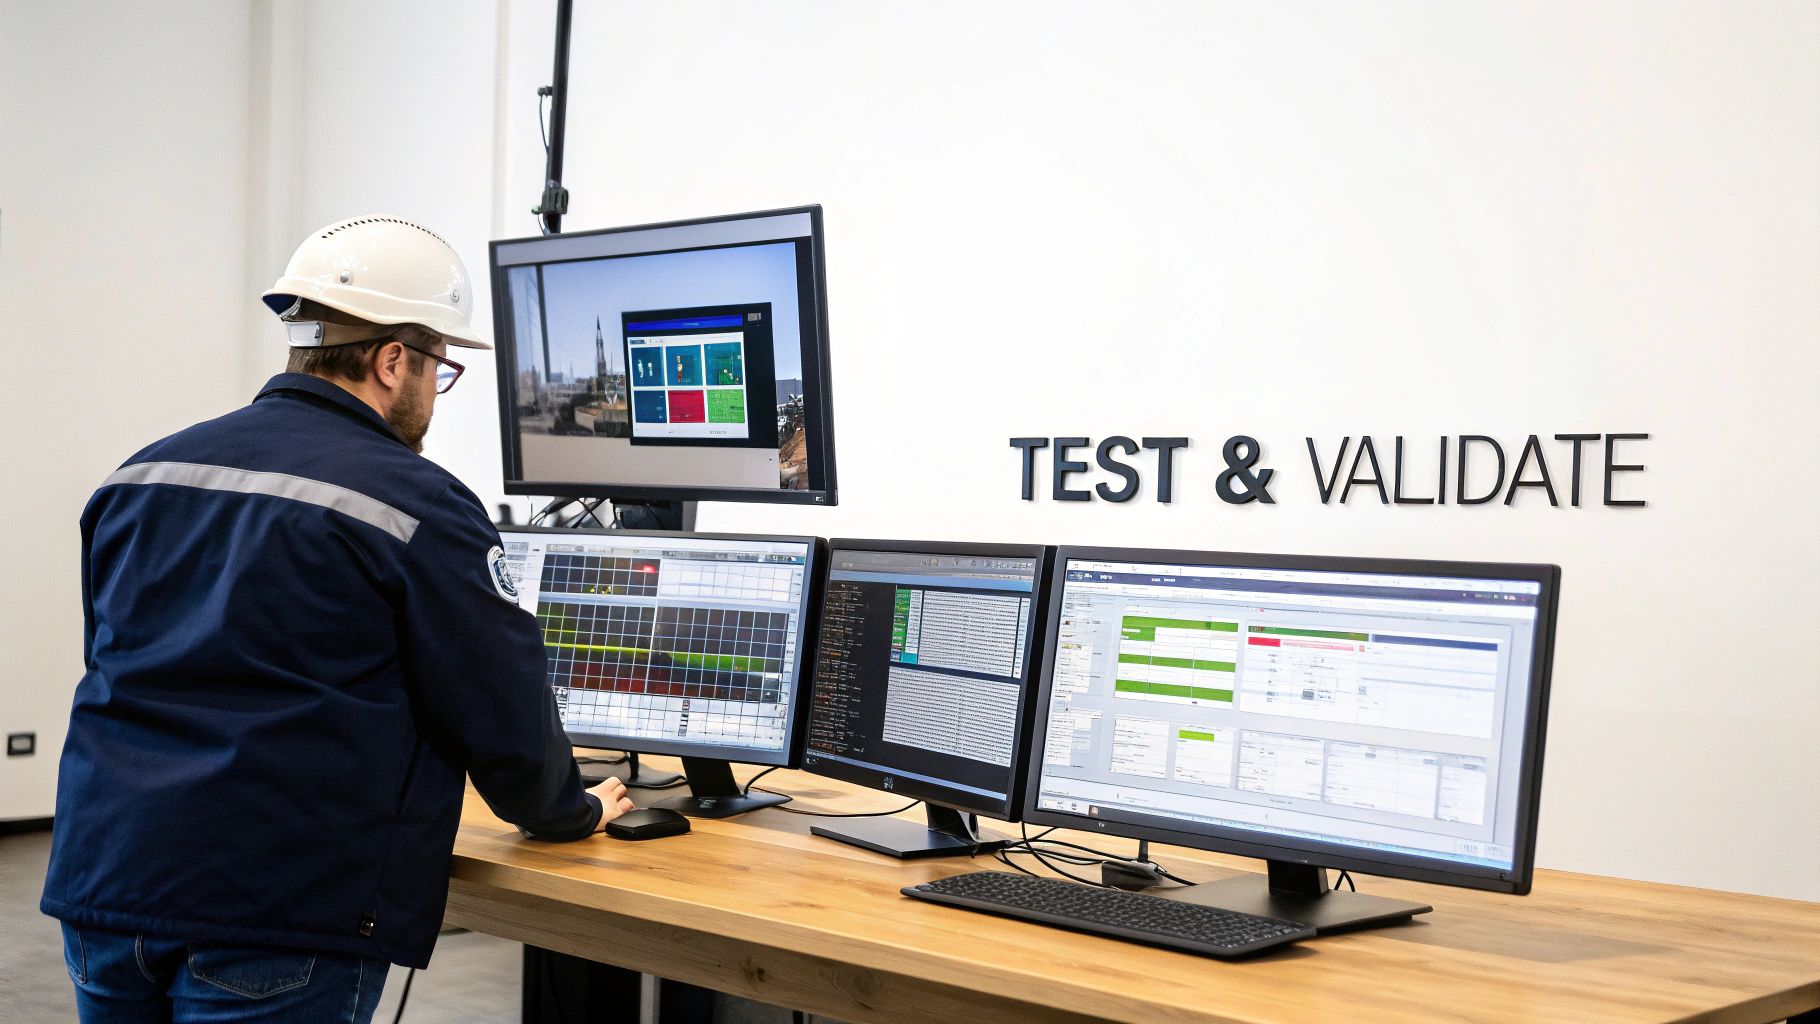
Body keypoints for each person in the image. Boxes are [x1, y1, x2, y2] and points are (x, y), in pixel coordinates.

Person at [40, 216, 637, 1023]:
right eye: (439, 368)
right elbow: (500, 698)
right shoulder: (417, 504)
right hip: (276, 906)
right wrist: (570, 811)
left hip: (105, 885)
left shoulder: (138, 476)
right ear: (393, 361)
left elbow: (127, 668)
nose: (434, 392)